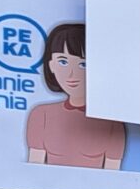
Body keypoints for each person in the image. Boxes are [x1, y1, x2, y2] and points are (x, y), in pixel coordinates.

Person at [24, 23, 127, 169]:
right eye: (63, 62)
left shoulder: (112, 123)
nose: (72, 74)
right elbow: (34, 168)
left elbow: (113, 176)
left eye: (83, 64)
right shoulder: (41, 115)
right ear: (51, 65)